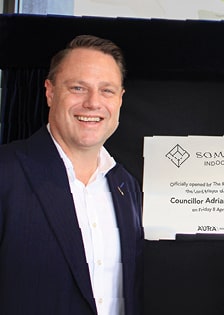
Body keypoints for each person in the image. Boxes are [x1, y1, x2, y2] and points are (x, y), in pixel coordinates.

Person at [0, 35, 143, 315]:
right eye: (78, 88)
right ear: (50, 92)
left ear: (120, 99)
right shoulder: (5, 172)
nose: (93, 103)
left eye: (107, 91)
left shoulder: (126, 186)